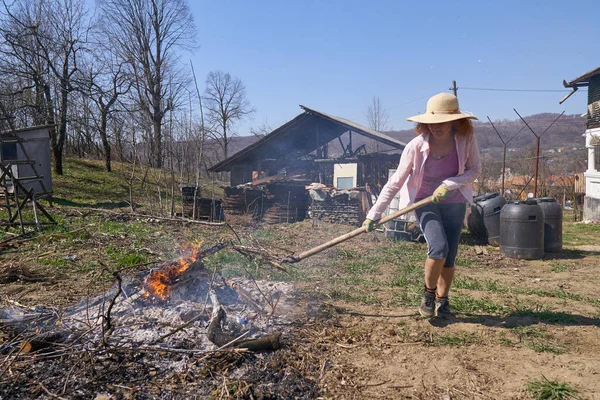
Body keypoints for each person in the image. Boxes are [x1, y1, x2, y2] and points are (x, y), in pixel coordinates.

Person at [363, 93, 481, 319]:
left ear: (455, 122)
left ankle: (443, 301)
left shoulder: (465, 139)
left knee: (451, 255)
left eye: (442, 123)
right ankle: (429, 295)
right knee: (438, 248)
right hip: (424, 200)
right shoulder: (415, 147)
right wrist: (374, 214)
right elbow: (395, 182)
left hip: (455, 201)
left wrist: (449, 184)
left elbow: (475, 169)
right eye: (431, 123)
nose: (435, 127)